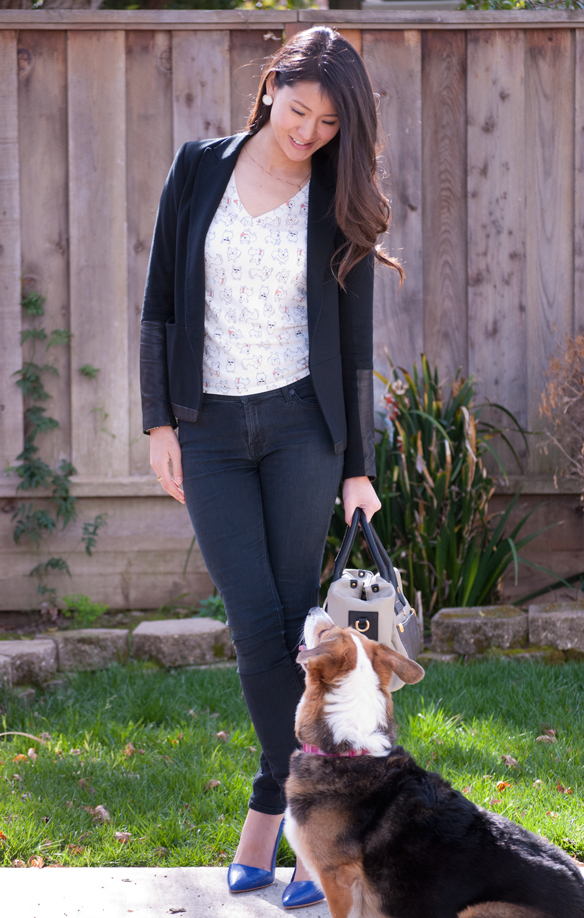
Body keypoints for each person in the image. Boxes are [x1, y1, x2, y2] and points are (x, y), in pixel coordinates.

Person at [140, 26, 403, 909]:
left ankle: (278, 825)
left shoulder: (338, 196)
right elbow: (161, 308)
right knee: (256, 626)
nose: (310, 133)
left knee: (295, 624)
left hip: (303, 429)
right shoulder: (197, 168)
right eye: (299, 111)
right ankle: (307, 810)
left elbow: (357, 347)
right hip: (207, 428)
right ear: (270, 90)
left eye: (330, 123)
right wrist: (157, 424)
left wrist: (358, 467)